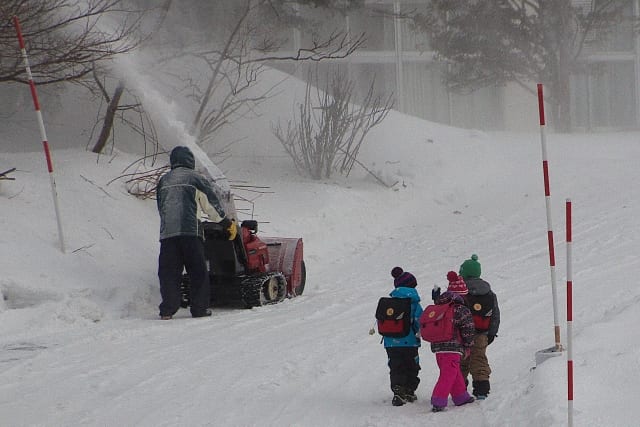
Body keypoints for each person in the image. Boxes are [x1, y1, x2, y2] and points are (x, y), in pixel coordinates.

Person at [156, 146, 236, 320]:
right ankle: (199, 309)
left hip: (168, 235)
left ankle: (167, 310)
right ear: (190, 161)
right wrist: (226, 223)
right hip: (191, 234)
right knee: (197, 271)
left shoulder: (163, 181)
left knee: (168, 272)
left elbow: (161, 207)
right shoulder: (195, 178)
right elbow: (210, 205)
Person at [428, 275, 476, 413]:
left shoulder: (440, 306)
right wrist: (468, 346)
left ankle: (461, 396)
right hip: (453, 347)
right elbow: (468, 329)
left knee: (451, 371)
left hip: (438, 346)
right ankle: (438, 400)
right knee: (448, 374)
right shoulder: (461, 309)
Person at [458, 254, 500, 399]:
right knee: (479, 359)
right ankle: (481, 390)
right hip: (482, 333)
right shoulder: (489, 293)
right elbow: (495, 314)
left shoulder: (460, 291)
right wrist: (491, 333)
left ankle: (459, 390)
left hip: (461, 334)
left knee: (461, 361)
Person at [384, 267, 424, 406]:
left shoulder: (389, 303)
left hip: (390, 343)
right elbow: (420, 322)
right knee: (412, 366)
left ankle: (398, 389)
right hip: (410, 342)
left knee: (396, 366)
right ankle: (409, 390)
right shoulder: (414, 303)